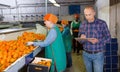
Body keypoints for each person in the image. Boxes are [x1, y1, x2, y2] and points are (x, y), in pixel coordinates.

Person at [78, 6, 111, 72]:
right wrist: (81, 38)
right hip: (86, 54)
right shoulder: (83, 24)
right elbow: (80, 41)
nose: (87, 17)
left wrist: (98, 41)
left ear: (94, 13)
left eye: (89, 15)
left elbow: (108, 38)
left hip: (98, 54)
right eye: (86, 15)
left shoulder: (102, 23)